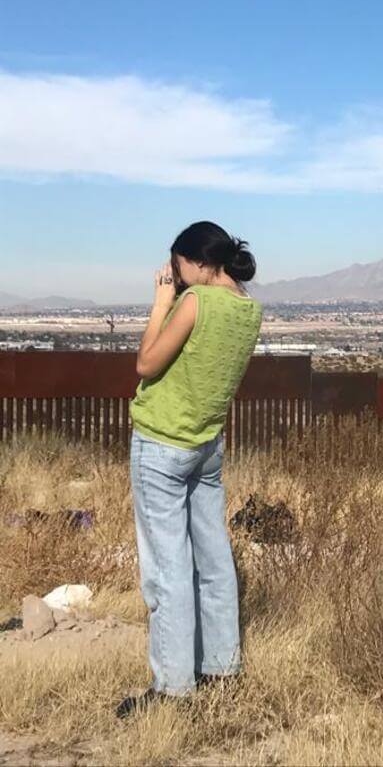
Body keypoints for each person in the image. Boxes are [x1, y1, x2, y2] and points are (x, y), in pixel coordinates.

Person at [117, 221, 263, 719]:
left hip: (162, 444)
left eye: (177, 265)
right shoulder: (249, 310)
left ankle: (173, 687)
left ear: (198, 261)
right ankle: (222, 669)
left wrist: (160, 304)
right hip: (207, 445)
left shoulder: (194, 303)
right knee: (214, 559)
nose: (174, 275)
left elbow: (147, 364)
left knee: (168, 569)